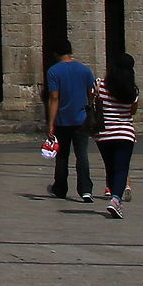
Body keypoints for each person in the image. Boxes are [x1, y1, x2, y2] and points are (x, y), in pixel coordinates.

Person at [44, 41, 97, 201]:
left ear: (55, 53)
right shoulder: (85, 70)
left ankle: (60, 188)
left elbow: (54, 97)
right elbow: (92, 93)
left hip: (62, 119)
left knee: (62, 156)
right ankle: (86, 189)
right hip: (81, 118)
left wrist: (50, 123)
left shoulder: (53, 71)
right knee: (82, 155)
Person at [92, 52, 140, 217]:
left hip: (104, 134)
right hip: (124, 133)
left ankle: (114, 196)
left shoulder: (99, 84)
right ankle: (115, 200)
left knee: (110, 168)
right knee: (121, 169)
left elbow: (92, 100)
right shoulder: (132, 90)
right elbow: (132, 111)